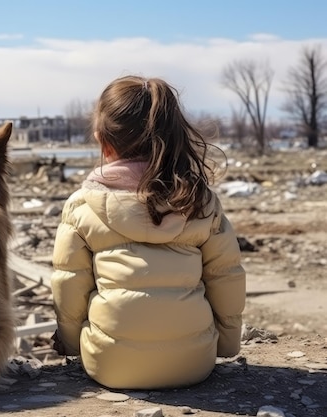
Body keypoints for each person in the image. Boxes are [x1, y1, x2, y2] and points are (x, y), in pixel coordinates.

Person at [51, 75, 246, 390]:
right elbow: (226, 277)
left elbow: (69, 283)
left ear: (102, 140)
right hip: (195, 364)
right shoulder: (199, 201)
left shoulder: (81, 206)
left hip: (109, 365)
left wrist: (71, 344)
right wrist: (227, 345)